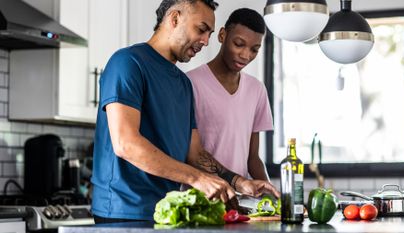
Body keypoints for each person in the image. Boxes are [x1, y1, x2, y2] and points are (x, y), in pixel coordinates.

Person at [91, 0, 279, 223]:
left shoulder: (183, 83)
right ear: (174, 18)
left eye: (209, 33)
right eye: (201, 29)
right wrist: (198, 178)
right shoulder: (128, 62)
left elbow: (195, 153)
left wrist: (239, 182)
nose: (206, 41)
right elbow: (126, 144)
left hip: (169, 213)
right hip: (123, 213)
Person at [186, 8, 273, 181]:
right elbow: (190, 153)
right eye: (239, 44)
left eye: (254, 49)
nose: (246, 55)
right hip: (201, 200)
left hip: (242, 202)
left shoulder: (257, 90)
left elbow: (253, 159)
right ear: (222, 35)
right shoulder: (190, 83)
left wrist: (272, 196)